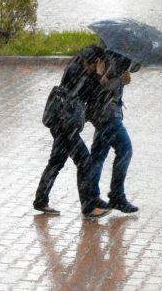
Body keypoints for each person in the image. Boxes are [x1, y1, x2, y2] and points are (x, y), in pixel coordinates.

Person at [33, 45, 112, 219]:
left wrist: (97, 76)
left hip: (60, 123)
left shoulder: (75, 68)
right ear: (91, 62)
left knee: (56, 162)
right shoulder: (81, 74)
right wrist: (99, 76)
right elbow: (95, 95)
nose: (99, 66)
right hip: (65, 126)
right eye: (98, 63)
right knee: (85, 162)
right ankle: (89, 206)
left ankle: (41, 200)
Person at [85, 49, 141, 214]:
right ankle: (116, 195)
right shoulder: (110, 56)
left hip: (104, 112)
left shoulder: (120, 54)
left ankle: (91, 197)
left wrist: (126, 74)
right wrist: (120, 81)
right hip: (106, 113)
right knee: (125, 149)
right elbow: (100, 87)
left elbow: (134, 67)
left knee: (98, 154)